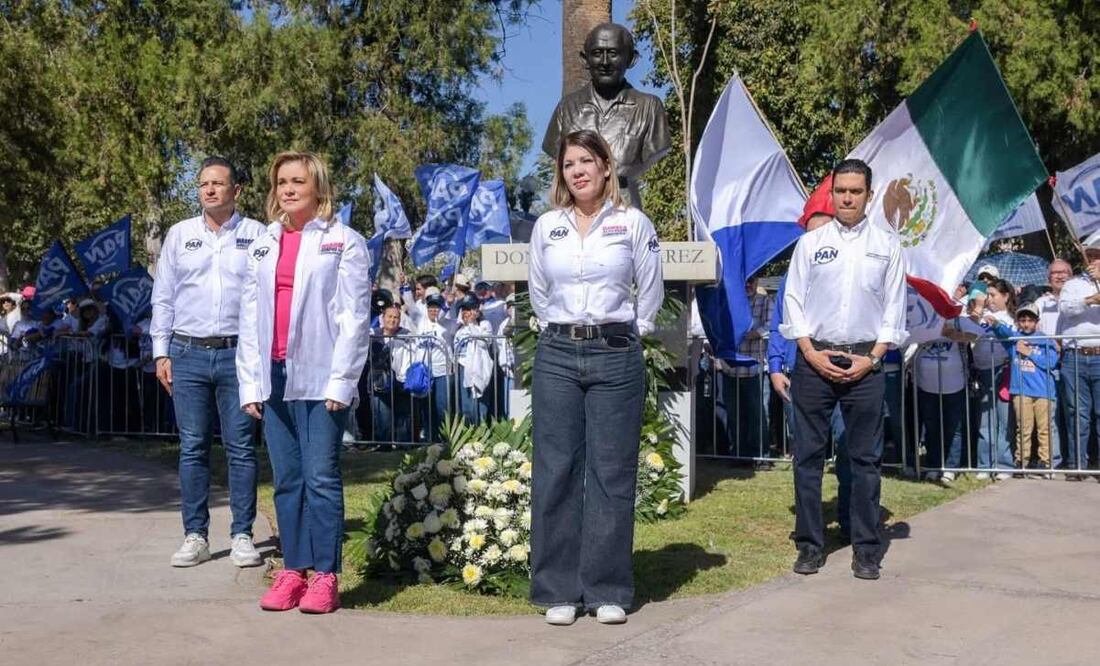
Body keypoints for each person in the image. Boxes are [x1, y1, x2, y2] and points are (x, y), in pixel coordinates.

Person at [528, 129, 663, 625]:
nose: (578, 171)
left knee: (611, 471)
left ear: (607, 167)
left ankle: (606, 589)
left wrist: (630, 331)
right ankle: (557, 590)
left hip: (615, 354)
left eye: (587, 161)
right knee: (556, 469)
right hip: (558, 352)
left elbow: (649, 289)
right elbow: (539, 292)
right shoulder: (548, 226)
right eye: (569, 164)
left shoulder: (632, 223)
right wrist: (561, 328)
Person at [237, 151, 372, 614]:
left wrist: (342, 381)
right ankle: (293, 570)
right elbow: (249, 315)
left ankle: (326, 576)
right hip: (273, 376)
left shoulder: (344, 241)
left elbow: (355, 318)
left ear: (317, 187)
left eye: (297, 181)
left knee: (320, 478)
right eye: (281, 182)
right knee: (287, 480)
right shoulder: (263, 243)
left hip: (319, 376)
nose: (288, 189)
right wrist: (250, 383)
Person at [781, 158, 906, 581]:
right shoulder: (811, 244)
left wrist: (873, 357)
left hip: (865, 364)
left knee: (865, 459)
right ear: (831, 194)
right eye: (841, 191)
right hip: (813, 362)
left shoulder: (888, 246)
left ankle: (866, 548)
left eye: (855, 191)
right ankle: (810, 546)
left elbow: (894, 309)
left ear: (869, 195)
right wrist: (809, 352)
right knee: (809, 458)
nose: (847, 198)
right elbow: (793, 301)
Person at [150, 156, 267, 569]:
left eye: (218, 184)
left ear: (236, 190)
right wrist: (160, 351)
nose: (210, 190)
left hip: (238, 355)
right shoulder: (180, 234)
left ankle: (242, 535)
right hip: (187, 353)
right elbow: (163, 296)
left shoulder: (257, 235)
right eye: (203, 185)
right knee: (193, 448)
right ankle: (195, 535)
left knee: (240, 449)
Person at [769, 183, 851, 539]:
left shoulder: (851, 269)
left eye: (824, 229)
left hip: (846, 374)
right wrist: (775, 366)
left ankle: (852, 520)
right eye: (810, 231)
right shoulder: (792, 274)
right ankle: (810, 532)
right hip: (799, 374)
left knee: (851, 451)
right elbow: (779, 321)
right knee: (807, 456)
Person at [542, 23, 670, 207]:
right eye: (596, 53)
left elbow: (658, 149)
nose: (604, 62)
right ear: (584, 59)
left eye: (613, 53)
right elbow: (553, 149)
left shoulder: (649, 107)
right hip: (575, 215)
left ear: (631, 59)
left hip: (625, 211)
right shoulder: (566, 108)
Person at [981, 302, 1058, 475]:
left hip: (1043, 392)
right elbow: (1003, 332)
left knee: (1044, 430)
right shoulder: (1014, 339)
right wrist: (995, 323)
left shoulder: (1045, 339)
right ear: (1017, 322)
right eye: (1022, 320)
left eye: (1030, 320)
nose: (1026, 324)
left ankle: (1046, 463)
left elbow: (1052, 362)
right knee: (1023, 429)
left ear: (1036, 321)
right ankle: (1021, 462)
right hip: (1021, 392)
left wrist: (1029, 352)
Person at [1057, 232, 1100, 480]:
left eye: (1098, 256)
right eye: (1090, 255)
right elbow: (1067, 308)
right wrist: (1092, 299)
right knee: (1076, 412)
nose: (1093, 260)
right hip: (1075, 355)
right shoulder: (1073, 284)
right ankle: (1077, 465)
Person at [968, 278, 1017, 480]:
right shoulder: (981, 315)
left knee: (1004, 418)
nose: (989, 299)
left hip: (1003, 370)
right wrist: (978, 310)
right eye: (987, 294)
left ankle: (1004, 463)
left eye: (993, 295)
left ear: (1006, 296)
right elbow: (969, 331)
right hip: (983, 370)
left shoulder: (1011, 318)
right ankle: (984, 463)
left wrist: (997, 325)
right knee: (986, 419)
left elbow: (1013, 341)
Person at [1034, 259, 1069, 470]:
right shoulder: (1041, 303)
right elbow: (1034, 330)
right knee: (1052, 416)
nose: (1060, 276)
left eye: (1064, 272)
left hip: (1074, 359)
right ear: (1049, 278)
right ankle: (1053, 460)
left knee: (1075, 412)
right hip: (1048, 364)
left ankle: (1079, 457)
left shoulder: (1080, 298)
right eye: (1055, 273)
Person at [415, 291, 455, 441]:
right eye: (431, 307)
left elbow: (443, 317)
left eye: (437, 307)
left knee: (442, 408)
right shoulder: (421, 322)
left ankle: (444, 438)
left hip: (443, 372)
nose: (434, 310)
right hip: (425, 373)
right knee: (427, 408)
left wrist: (449, 304)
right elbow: (412, 307)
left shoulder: (449, 324)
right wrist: (405, 286)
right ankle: (429, 438)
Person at [453, 294, 494, 425]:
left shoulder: (485, 324)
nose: (466, 313)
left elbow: (484, 342)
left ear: (477, 310)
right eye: (464, 309)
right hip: (462, 368)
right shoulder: (459, 330)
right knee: (466, 405)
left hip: (479, 368)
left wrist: (471, 324)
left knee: (480, 403)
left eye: (470, 309)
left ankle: (481, 432)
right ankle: (469, 433)